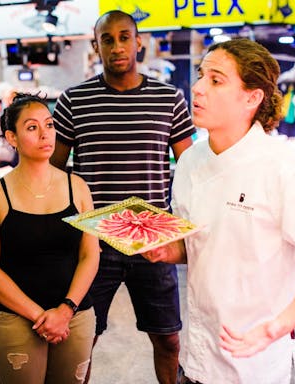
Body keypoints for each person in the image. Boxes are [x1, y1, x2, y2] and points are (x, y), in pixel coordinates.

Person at [142, 38, 295, 384]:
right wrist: (170, 249)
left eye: (216, 80)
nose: (197, 88)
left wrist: (276, 327)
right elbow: (200, 242)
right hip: (196, 357)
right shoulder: (191, 161)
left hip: (258, 365)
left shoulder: (285, 170)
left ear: (252, 98)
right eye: (200, 75)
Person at [51, 10, 195, 384]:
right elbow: (52, 171)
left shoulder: (169, 99)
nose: (117, 46)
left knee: (168, 339)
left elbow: (192, 169)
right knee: (83, 342)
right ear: (96, 45)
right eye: (107, 39)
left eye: (124, 37)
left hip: (153, 238)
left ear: (138, 40)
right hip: (93, 242)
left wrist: (182, 229)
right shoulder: (73, 101)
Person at [0, 93, 100, 383]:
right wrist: (41, 317)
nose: (45, 134)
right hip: (14, 319)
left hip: (75, 316)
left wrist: (66, 310)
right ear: (12, 137)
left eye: (49, 124)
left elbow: (90, 254)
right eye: (32, 127)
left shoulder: (78, 187)